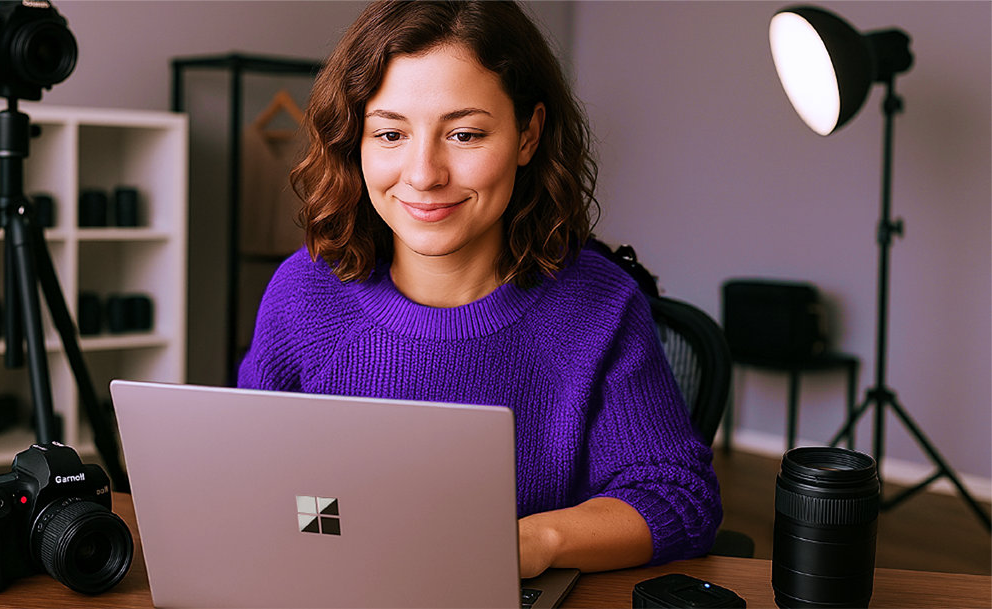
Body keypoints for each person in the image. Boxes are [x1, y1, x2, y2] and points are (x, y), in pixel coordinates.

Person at [238, 0, 721, 578]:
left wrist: (531, 542)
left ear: (527, 135)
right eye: (390, 133)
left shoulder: (600, 306)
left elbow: (677, 499)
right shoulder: (304, 291)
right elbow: (250, 476)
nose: (424, 174)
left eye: (464, 134)